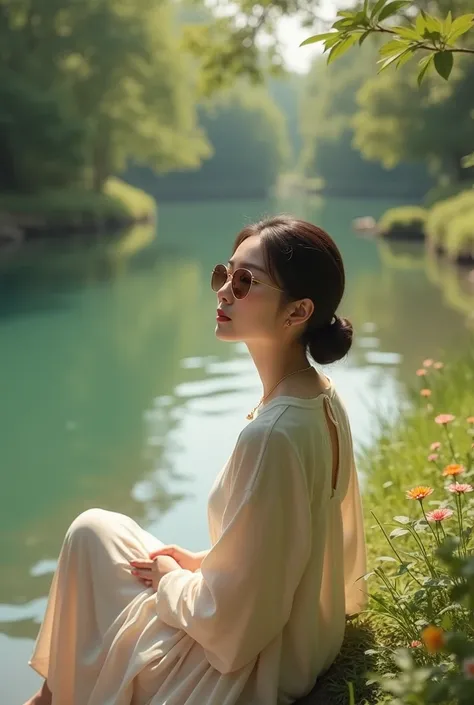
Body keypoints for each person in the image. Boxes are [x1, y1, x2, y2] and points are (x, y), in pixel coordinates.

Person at [25, 214, 367, 705]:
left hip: (247, 673)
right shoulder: (320, 396)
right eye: (224, 274)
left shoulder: (272, 435)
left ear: (297, 312)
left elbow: (235, 626)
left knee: (93, 544)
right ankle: (51, 696)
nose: (223, 292)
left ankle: (49, 699)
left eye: (244, 281)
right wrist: (205, 561)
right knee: (96, 532)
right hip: (300, 636)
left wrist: (174, 581)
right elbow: (294, 539)